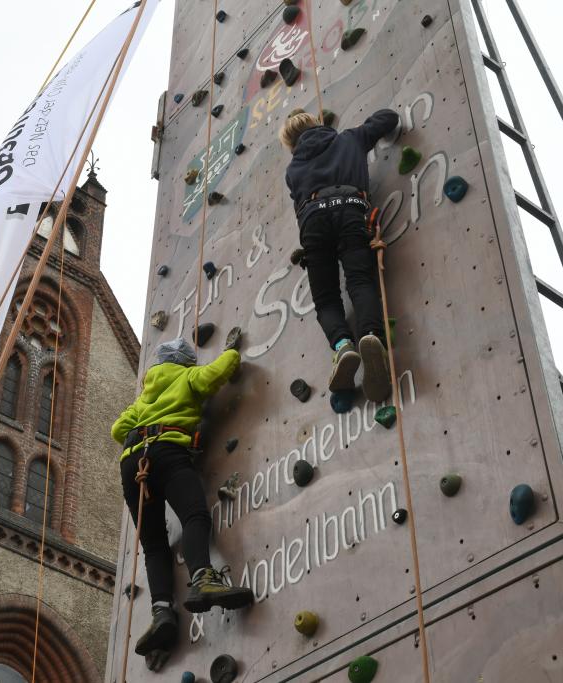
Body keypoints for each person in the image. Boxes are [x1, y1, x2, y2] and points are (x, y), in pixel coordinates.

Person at [111, 338, 254, 660]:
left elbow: (118, 429)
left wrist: (145, 422)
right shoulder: (187, 377)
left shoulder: (145, 396)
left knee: (153, 544)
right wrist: (231, 350)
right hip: (168, 451)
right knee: (194, 516)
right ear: (185, 363)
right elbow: (217, 372)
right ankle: (203, 577)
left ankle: (162, 611)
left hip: (133, 463)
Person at [281, 109, 400, 401]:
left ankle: (343, 344)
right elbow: (388, 118)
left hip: (313, 220)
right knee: (359, 280)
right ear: (316, 124)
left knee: (326, 298)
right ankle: (370, 336)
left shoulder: (293, 169)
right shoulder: (349, 139)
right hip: (350, 206)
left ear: (291, 143)